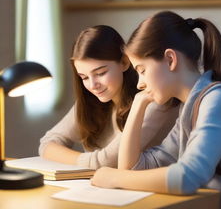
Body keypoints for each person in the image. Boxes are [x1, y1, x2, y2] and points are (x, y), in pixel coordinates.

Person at [91, 12, 221, 209]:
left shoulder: (218, 99)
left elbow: (187, 177)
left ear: (170, 59)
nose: (139, 84)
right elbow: (132, 168)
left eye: (142, 70)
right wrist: (138, 107)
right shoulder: (189, 108)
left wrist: (114, 178)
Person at [39, 25, 176, 169]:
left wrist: (84, 161)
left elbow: (109, 162)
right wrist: (90, 162)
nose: (93, 85)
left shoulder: (152, 98)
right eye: (84, 77)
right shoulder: (91, 100)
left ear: (124, 62)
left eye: (100, 73)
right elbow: (47, 143)